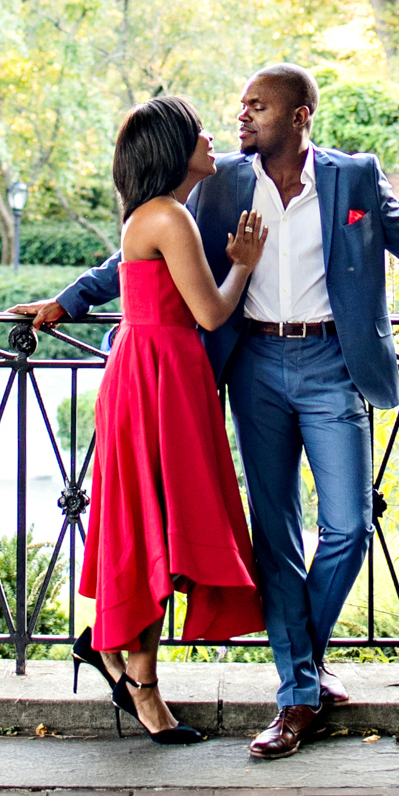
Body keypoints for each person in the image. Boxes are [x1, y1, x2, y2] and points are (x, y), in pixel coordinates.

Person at [20, 64, 399, 759]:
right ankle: (298, 691)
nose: (243, 117)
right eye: (240, 105)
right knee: (274, 536)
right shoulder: (219, 185)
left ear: (301, 116)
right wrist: (70, 300)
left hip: (333, 365)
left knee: (350, 527)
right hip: (254, 370)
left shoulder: (353, 179)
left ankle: (298, 654)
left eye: (259, 107)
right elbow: (137, 254)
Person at [69, 94, 268, 744]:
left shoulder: (152, 215)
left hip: (157, 375)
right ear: (171, 151)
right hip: (159, 378)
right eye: (198, 133)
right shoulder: (168, 218)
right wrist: (243, 264)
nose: (212, 140)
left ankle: (116, 648)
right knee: (156, 523)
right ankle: (140, 683)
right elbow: (211, 314)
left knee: (154, 523)